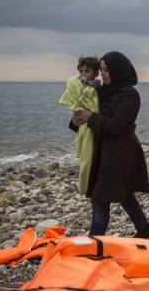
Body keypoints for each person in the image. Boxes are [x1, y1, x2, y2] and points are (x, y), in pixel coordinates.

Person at [73, 51, 149, 238]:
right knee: (124, 193)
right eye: (101, 70)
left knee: (100, 199)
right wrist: (77, 120)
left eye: (107, 70)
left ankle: (92, 246)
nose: (102, 74)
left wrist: (90, 117)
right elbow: (90, 113)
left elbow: (116, 125)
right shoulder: (100, 90)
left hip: (119, 153)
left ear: (118, 70)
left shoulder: (130, 95)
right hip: (101, 150)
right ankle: (144, 229)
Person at [60, 55, 100, 194]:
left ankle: (89, 185)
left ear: (96, 73)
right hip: (83, 126)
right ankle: (87, 186)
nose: (83, 74)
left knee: (90, 158)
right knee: (85, 156)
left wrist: (90, 113)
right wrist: (77, 114)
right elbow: (74, 101)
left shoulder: (98, 87)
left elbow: (96, 105)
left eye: (87, 71)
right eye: (81, 71)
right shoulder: (76, 85)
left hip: (94, 127)